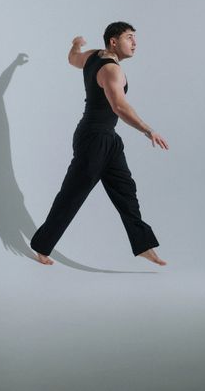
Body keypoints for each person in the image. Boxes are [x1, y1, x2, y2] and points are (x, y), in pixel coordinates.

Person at [29, 21, 169, 266]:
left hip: (108, 138)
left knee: (126, 192)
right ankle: (41, 246)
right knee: (72, 194)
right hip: (94, 140)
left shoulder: (93, 55)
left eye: (135, 37)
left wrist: (75, 45)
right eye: (129, 37)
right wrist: (149, 130)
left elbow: (73, 59)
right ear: (113, 41)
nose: (134, 43)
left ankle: (144, 245)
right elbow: (119, 106)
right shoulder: (111, 70)